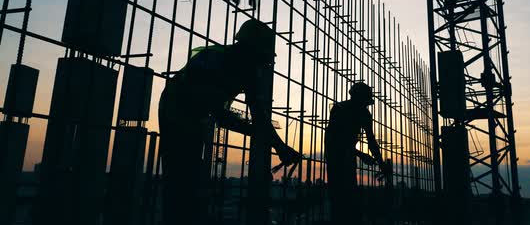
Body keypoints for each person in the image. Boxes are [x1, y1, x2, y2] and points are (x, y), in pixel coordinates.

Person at [158, 19, 300, 225]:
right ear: (250, 50)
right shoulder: (212, 60)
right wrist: (261, 136)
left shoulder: (248, 71)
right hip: (175, 112)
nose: (263, 64)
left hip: (194, 115)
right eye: (262, 57)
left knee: (189, 177)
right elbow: (219, 114)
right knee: (180, 176)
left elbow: (259, 116)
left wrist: (279, 146)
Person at [324, 82, 393, 224]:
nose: (365, 105)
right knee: (339, 198)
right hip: (335, 156)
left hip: (347, 155)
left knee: (349, 196)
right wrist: (362, 155)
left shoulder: (363, 113)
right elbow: (336, 141)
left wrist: (381, 163)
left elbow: (371, 141)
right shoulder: (339, 110)